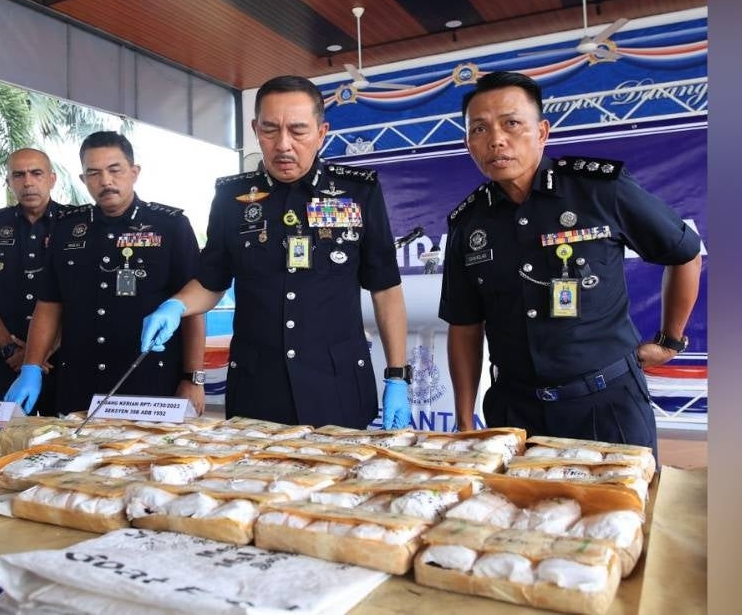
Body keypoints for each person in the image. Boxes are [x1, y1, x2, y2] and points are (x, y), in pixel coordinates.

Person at [439, 71, 702, 453]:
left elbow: (685, 253)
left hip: (607, 408)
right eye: (479, 129)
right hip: (514, 413)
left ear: (542, 132)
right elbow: (465, 324)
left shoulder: (600, 190)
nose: (496, 139)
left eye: (511, 124)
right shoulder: (468, 223)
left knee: (624, 495)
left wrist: (669, 341)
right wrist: (464, 420)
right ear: (468, 144)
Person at [140, 75, 411, 430]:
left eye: (298, 131)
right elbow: (211, 281)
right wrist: (176, 306)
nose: (283, 144)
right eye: (270, 130)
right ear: (256, 130)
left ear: (321, 132)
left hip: (336, 386)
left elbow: (385, 289)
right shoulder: (232, 198)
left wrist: (397, 376)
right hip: (258, 387)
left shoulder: (358, 193)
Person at [5, 131, 206, 415]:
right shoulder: (66, 229)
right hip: (80, 384)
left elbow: (192, 308)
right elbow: (49, 304)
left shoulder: (170, 226)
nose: (106, 181)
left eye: (115, 170)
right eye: (94, 173)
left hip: (150, 384)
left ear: (134, 172)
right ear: (83, 179)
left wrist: (193, 377)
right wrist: (31, 367)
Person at [0, 148, 62, 414]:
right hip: (2, 361)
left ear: (52, 179)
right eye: (18, 175)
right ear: (9, 182)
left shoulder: (75, 225)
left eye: (36, 173)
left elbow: (82, 299)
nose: (28, 182)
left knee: (67, 436)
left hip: (60, 361)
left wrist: (38, 357)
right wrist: (12, 352)